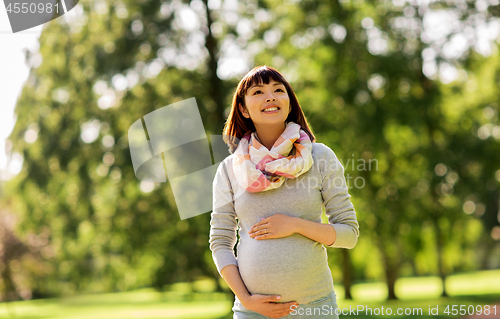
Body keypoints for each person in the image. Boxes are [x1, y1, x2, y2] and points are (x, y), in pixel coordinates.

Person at [209, 65, 359, 319]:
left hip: (315, 308)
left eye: (278, 90)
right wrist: (246, 300)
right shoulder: (229, 169)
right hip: (251, 312)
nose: (270, 96)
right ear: (244, 108)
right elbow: (220, 242)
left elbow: (349, 234)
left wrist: (295, 225)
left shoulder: (319, 157)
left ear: (289, 103)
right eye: (258, 92)